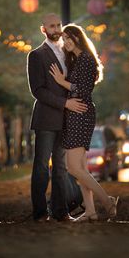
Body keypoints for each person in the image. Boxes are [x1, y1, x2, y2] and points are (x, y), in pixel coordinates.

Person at [50, 23, 119, 222]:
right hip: (75, 114)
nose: (66, 42)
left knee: (73, 167)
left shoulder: (87, 60)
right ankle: (90, 211)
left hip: (81, 114)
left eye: (69, 38)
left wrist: (61, 80)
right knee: (81, 168)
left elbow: (82, 90)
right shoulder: (77, 60)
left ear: (78, 38)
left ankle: (107, 201)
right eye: (64, 39)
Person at [26, 12, 87, 222]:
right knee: (42, 166)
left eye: (58, 25)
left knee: (61, 168)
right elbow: (38, 90)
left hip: (66, 120)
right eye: (51, 26)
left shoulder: (68, 53)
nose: (56, 29)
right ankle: (40, 212)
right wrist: (64, 103)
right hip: (45, 119)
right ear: (43, 29)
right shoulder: (36, 55)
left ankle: (61, 212)